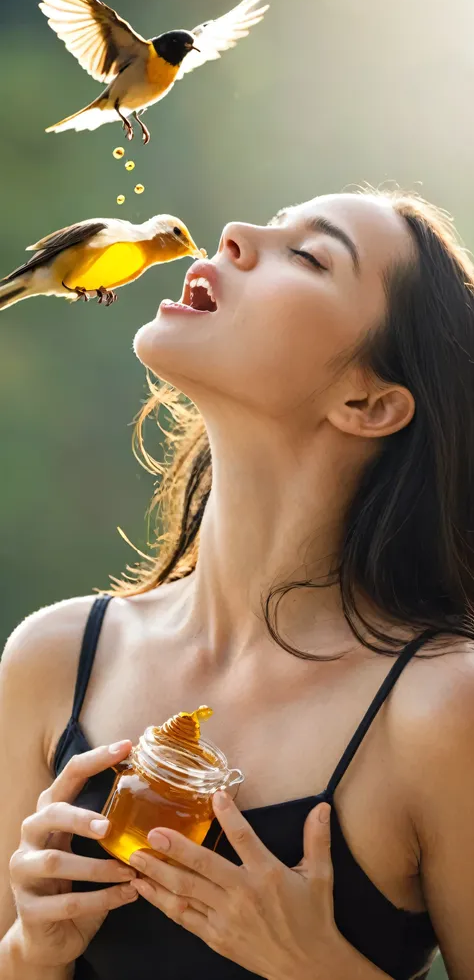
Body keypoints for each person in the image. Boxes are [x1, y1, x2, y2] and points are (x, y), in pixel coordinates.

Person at [0, 189, 473, 980]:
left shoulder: (441, 709)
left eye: (311, 254)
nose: (234, 234)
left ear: (369, 402)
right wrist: (27, 952)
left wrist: (318, 968)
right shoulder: (53, 659)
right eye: (270, 223)